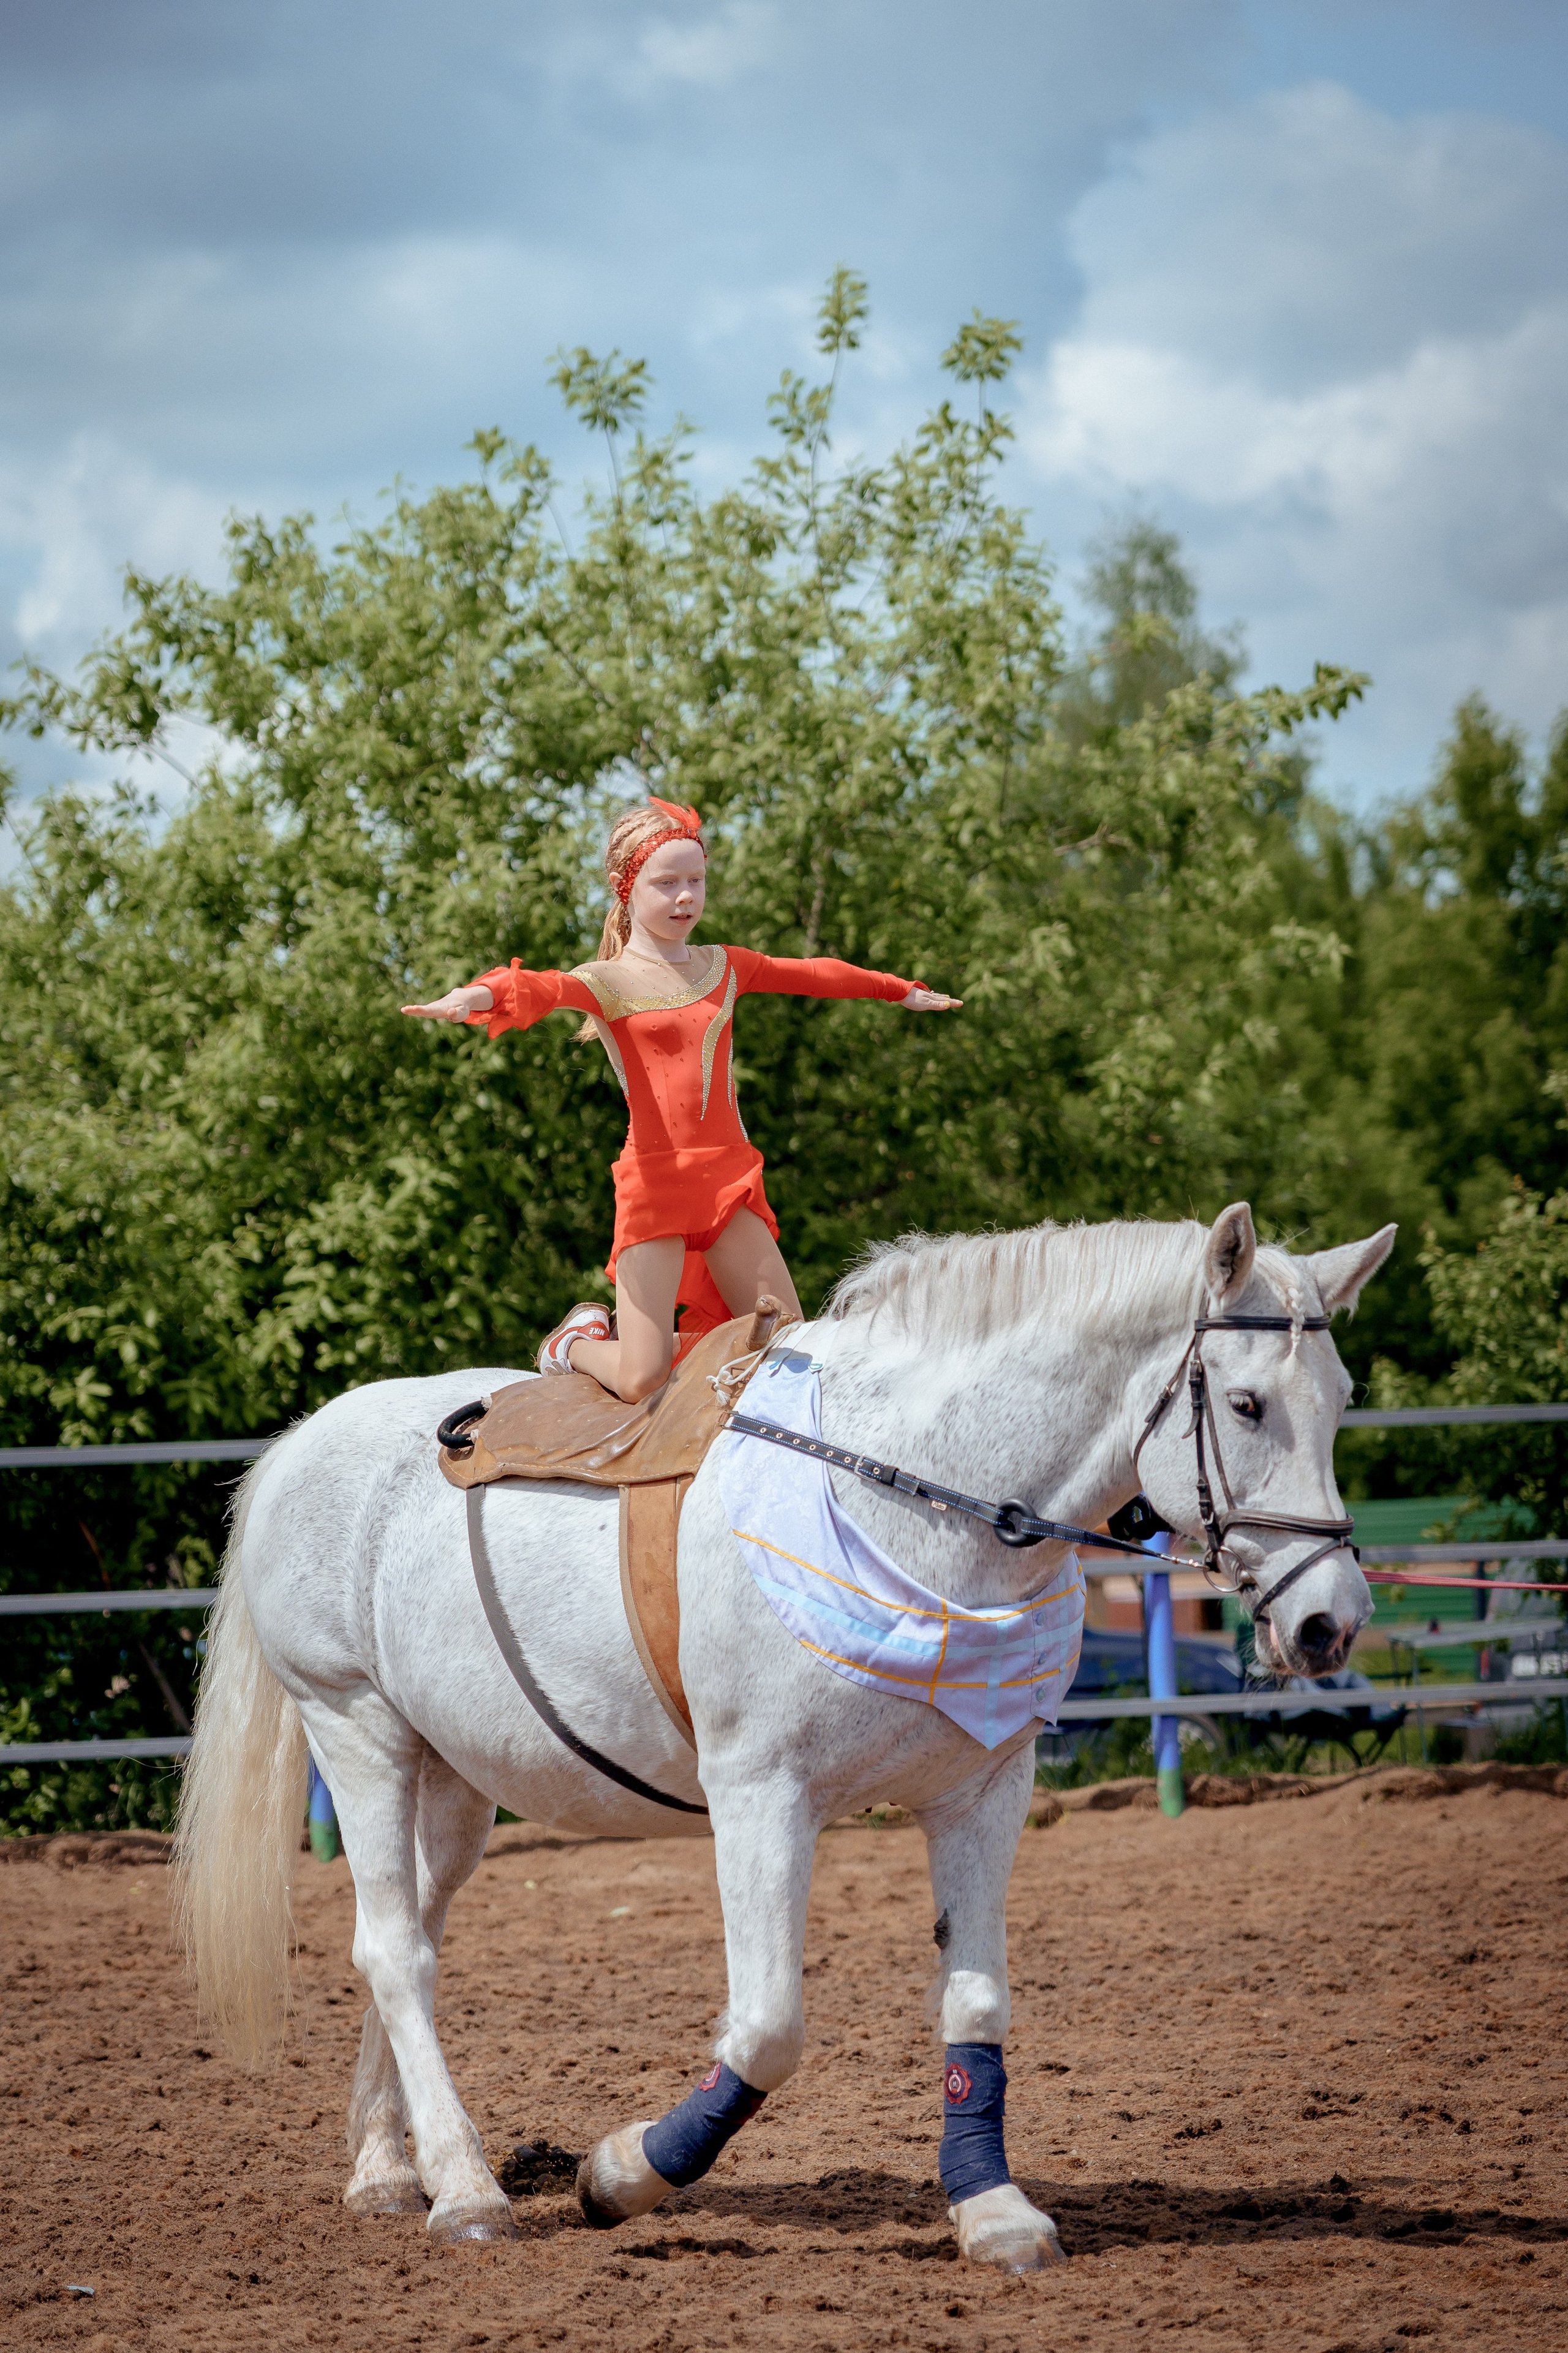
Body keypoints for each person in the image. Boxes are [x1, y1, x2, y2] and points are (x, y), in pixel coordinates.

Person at [402, 798, 960, 1401]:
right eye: (666, 883)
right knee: (642, 1378)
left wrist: (899, 990)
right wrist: (472, 996)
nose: (685, 896)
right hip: (655, 1189)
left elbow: (813, 973)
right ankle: (574, 1345)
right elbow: (537, 987)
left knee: (787, 1352)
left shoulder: (725, 966)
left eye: (696, 880)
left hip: (727, 1184)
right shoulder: (606, 981)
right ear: (625, 888)